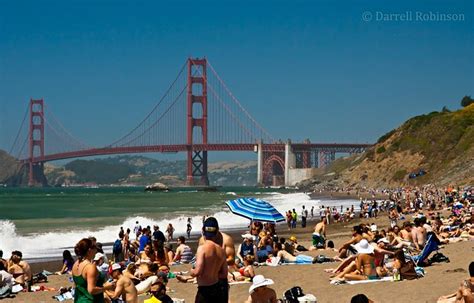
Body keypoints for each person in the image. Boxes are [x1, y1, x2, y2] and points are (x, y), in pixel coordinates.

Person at [191, 217, 228, 303]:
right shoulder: (221, 250)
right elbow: (224, 274)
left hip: (204, 290)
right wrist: (213, 274)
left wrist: (192, 271)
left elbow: (198, 271)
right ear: (217, 231)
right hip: (217, 289)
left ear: (203, 230)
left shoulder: (202, 248)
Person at [72, 238, 113, 303]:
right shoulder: (90, 267)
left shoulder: (75, 264)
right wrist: (106, 287)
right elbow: (91, 290)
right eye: (95, 248)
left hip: (78, 300)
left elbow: (78, 284)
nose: (96, 250)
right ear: (89, 250)